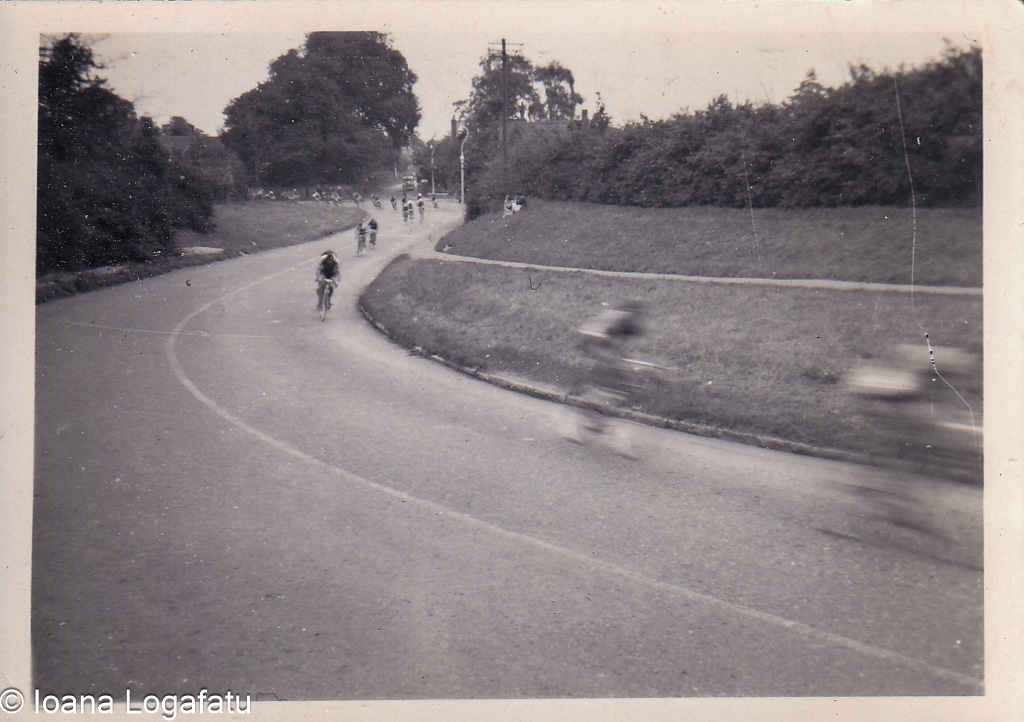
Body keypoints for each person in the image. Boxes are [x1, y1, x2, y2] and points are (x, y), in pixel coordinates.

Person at [569, 300, 646, 453]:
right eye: (638, 314)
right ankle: (587, 418)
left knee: (616, 384)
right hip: (593, 341)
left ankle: (595, 418)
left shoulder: (631, 323)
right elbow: (598, 340)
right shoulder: (618, 318)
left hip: (604, 344)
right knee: (611, 381)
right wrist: (615, 361)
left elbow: (625, 343)